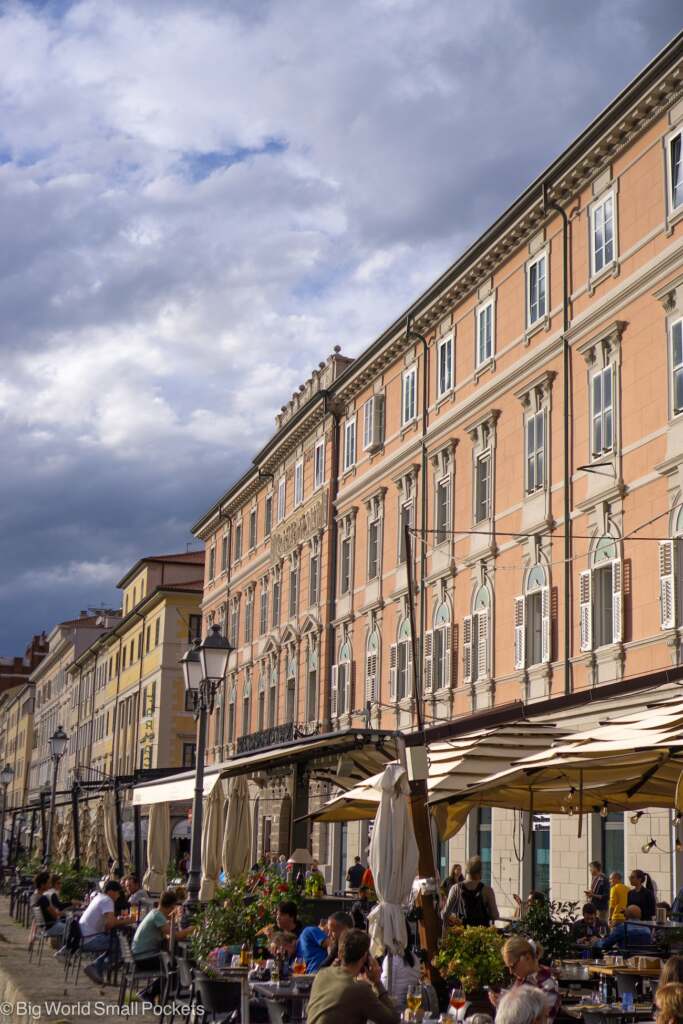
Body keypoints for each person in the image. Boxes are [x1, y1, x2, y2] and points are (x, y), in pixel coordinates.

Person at [306, 928, 400, 1024]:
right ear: (365, 957)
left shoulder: (321, 974)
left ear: (339, 953)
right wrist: (377, 982)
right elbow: (393, 1020)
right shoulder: (359, 989)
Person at [132, 890, 193, 1001]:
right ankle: (151, 994)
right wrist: (190, 929)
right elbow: (176, 936)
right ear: (171, 906)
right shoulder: (158, 916)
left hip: (139, 955)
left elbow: (169, 935)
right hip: (143, 958)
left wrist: (172, 923)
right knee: (174, 967)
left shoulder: (155, 913)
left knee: (172, 964)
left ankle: (150, 993)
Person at [491, 937, 560, 1021]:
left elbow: (545, 1021)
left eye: (513, 966)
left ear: (527, 957)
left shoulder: (548, 985)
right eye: (508, 967)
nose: (510, 972)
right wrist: (502, 1005)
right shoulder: (522, 979)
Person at [81, 880, 133, 986]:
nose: (118, 896)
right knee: (123, 946)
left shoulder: (98, 897)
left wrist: (115, 921)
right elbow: (111, 923)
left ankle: (98, 972)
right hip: (90, 939)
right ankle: (95, 967)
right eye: (118, 892)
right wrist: (129, 920)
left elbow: (108, 923)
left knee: (117, 943)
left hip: (83, 936)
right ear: (110, 892)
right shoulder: (107, 900)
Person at [443, 855, 499, 928]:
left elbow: (445, 913)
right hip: (482, 934)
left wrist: (456, 920)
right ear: (480, 872)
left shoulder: (456, 888)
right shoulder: (487, 890)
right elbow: (495, 916)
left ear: (466, 871)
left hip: (461, 934)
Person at [30, 870, 65, 940]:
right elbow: (55, 915)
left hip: (43, 927)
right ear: (43, 885)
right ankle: (66, 949)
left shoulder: (33, 897)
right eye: (48, 883)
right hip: (51, 927)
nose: (50, 885)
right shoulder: (43, 898)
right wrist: (65, 914)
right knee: (72, 928)